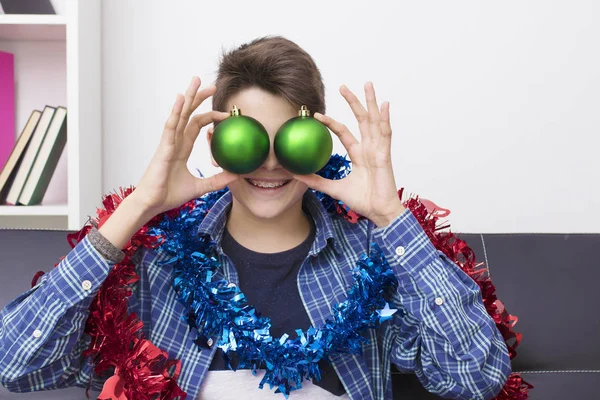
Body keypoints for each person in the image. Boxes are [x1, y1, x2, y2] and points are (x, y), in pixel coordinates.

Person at [0, 36, 511, 400]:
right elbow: (17, 366)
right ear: (215, 144)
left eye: (288, 142)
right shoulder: (155, 259)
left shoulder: (372, 256)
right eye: (248, 144)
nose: (268, 164)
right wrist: (140, 205)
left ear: (319, 144)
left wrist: (391, 217)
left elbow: (475, 378)